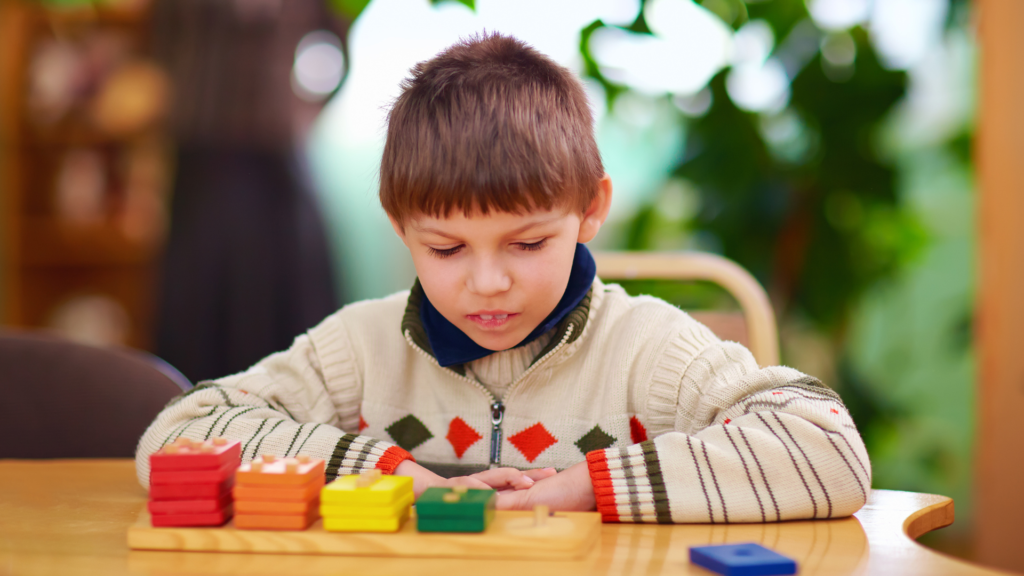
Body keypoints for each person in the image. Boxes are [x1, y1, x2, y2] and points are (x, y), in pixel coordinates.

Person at [136, 33, 870, 523]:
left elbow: (830, 449)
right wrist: (394, 478)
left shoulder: (650, 350)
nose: (487, 284)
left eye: (526, 243)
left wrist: (591, 484)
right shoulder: (359, 350)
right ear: (402, 230)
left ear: (590, 212)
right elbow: (176, 434)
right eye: (448, 250)